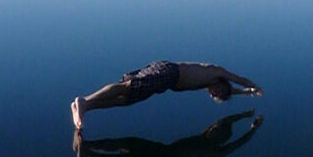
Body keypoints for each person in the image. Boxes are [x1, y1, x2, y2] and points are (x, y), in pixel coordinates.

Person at [71, 60, 262, 130]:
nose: (213, 94)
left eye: (215, 96)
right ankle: (85, 101)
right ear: (222, 84)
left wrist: (246, 93)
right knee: (128, 86)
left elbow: (231, 91)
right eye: (218, 92)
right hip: (169, 71)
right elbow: (236, 79)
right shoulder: (214, 72)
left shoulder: (205, 84)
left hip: (165, 82)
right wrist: (253, 85)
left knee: (126, 100)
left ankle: (87, 108)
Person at [72, 110, 263, 157]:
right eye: (213, 128)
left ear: (219, 137)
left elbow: (239, 143)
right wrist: (246, 115)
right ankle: (89, 145)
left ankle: (88, 152)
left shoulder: (216, 151)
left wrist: (253, 129)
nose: (211, 129)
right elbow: (225, 121)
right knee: (128, 142)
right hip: (166, 151)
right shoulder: (207, 137)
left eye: (214, 131)